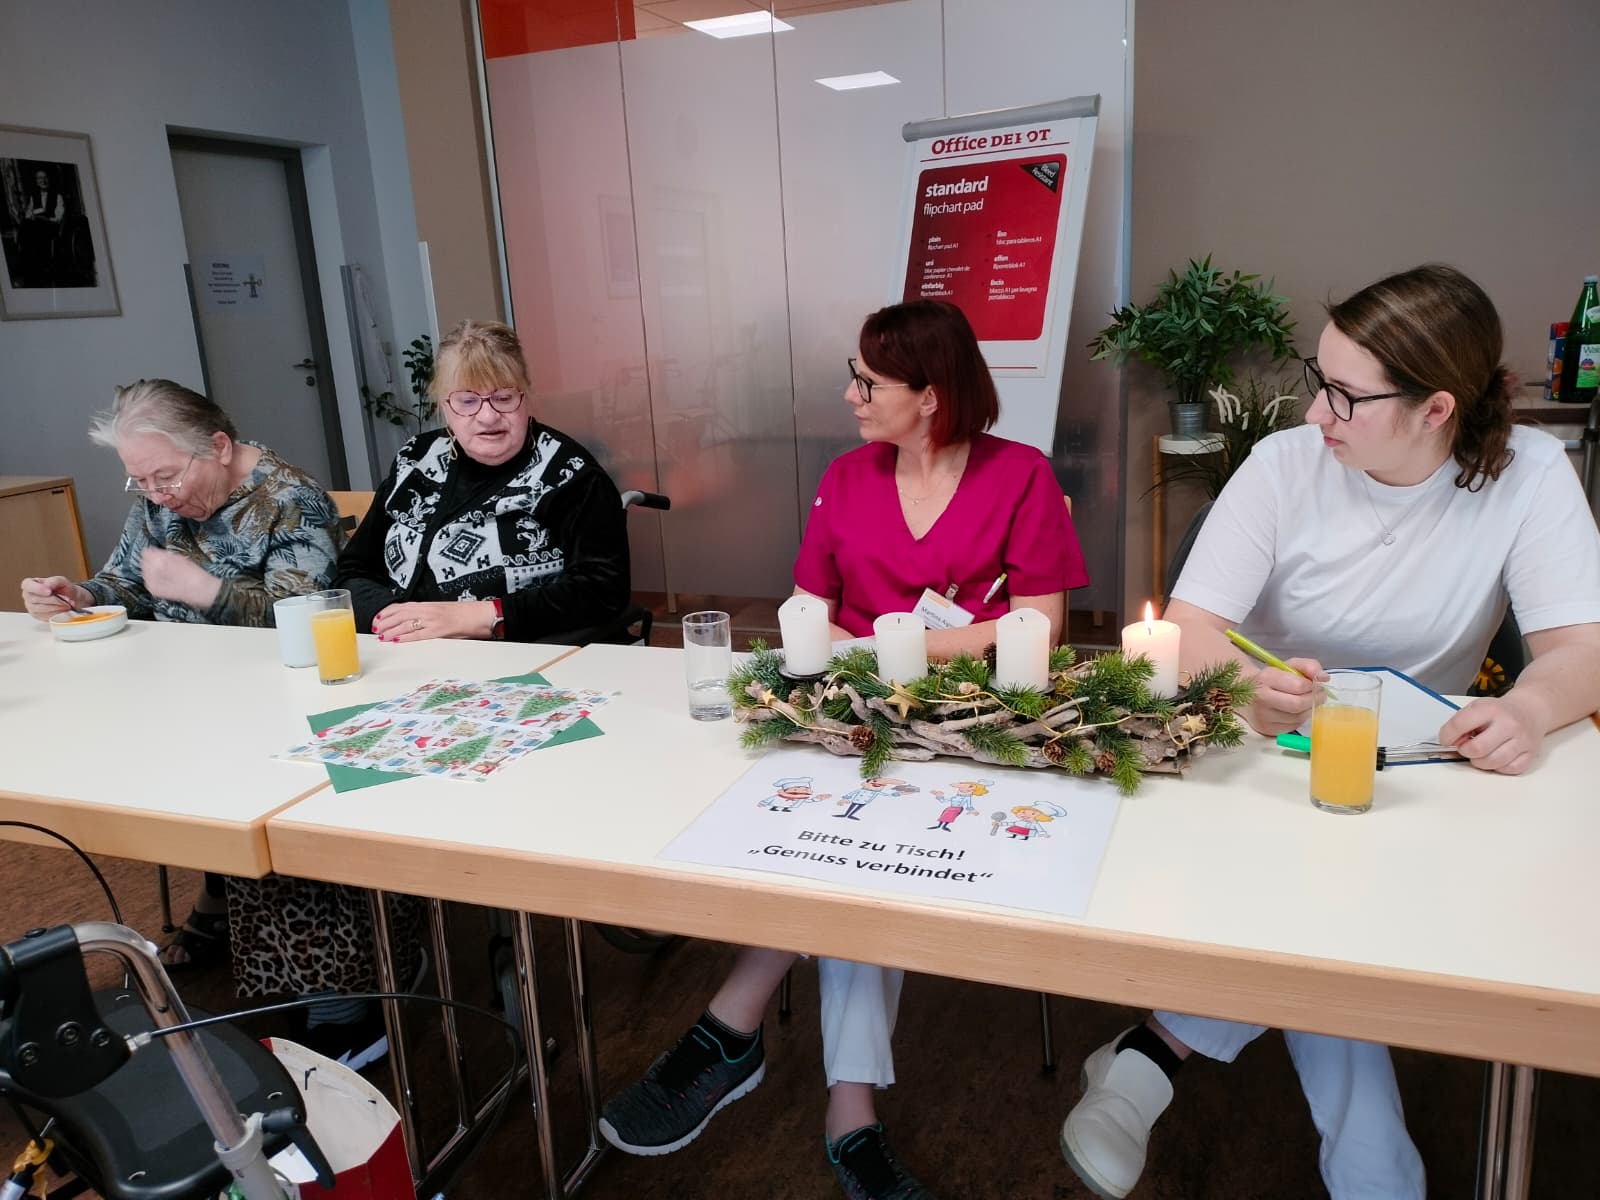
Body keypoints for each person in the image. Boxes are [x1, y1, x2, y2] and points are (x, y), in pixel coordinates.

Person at [1058, 264, 1600, 1200]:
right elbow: (1189, 629)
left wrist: (1527, 708)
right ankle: (1371, 1167)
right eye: (1321, 378)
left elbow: (1581, 648)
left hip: (1417, 763)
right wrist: (1245, 688)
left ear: (1437, 409)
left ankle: (1154, 1052)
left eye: (1346, 395)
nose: (1316, 413)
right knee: (1330, 908)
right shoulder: (1283, 466)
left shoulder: (1529, 474)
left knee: (1332, 896)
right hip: (1263, 752)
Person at [600, 299, 1088, 1199]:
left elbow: (1040, 626)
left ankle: (735, 1033)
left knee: (859, 850)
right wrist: (871, 660)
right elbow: (806, 610)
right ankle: (845, 1113)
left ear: (930, 396)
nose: (851, 395)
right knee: (836, 840)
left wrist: (893, 648)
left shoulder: (1019, 476)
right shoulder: (847, 478)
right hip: (848, 713)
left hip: (966, 721)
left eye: (869, 382)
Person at [336, 318, 629, 643]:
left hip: (519, 656)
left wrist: (482, 616)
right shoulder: (415, 459)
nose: (488, 417)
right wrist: (395, 620)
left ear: (525, 396)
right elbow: (353, 570)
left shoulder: (569, 473)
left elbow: (603, 590)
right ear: (444, 405)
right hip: (404, 652)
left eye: (503, 398)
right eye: (467, 401)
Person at [21, 378, 341, 626]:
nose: (156, 496)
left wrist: (208, 593)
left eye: (166, 476)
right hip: (170, 662)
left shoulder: (292, 499)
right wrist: (82, 596)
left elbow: (310, 620)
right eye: (140, 481)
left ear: (219, 448)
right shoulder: (157, 495)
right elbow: (126, 582)